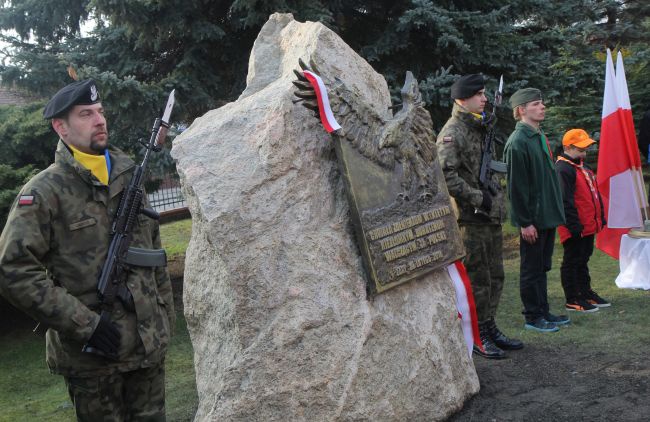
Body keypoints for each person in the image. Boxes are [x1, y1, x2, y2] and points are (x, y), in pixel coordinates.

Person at [0, 79, 175, 421]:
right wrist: (86, 324)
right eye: (86, 114)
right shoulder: (43, 193)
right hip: (93, 361)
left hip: (147, 351)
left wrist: (163, 320)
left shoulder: (128, 177)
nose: (99, 120)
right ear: (60, 127)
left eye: (100, 111)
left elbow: (154, 256)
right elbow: (13, 269)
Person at [437, 74, 523, 359]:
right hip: (470, 218)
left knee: (495, 275)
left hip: (489, 215)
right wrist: (477, 196)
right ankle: (477, 334)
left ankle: (490, 326)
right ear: (463, 99)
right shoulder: (454, 131)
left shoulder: (480, 126)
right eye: (479, 94)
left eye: (485, 93)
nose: (484, 98)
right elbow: (444, 175)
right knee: (477, 279)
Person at [503, 87, 569, 333]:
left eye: (542, 103)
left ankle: (543, 311)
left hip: (546, 215)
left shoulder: (538, 135)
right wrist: (524, 222)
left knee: (542, 265)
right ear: (521, 110)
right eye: (536, 104)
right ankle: (532, 316)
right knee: (531, 269)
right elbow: (517, 188)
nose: (542, 107)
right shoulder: (518, 142)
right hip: (533, 219)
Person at [555, 129, 610, 312]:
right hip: (574, 227)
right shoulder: (563, 168)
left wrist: (600, 218)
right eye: (580, 149)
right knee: (572, 261)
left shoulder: (583, 167)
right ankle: (573, 298)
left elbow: (594, 196)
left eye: (586, 148)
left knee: (583, 259)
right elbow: (566, 201)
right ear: (567, 147)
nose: (584, 153)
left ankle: (585, 292)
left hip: (587, 225)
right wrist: (574, 226)